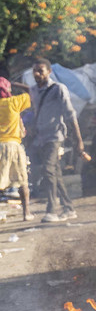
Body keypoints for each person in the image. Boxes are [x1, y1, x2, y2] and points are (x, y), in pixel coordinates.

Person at [28, 58, 85, 223]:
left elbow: (70, 114)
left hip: (55, 136)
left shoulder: (58, 89)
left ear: (49, 71)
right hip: (41, 138)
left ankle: (52, 210)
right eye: (35, 71)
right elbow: (36, 109)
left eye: (41, 71)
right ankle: (69, 208)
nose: (37, 74)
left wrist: (79, 140)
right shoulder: (34, 90)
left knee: (47, 169)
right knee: (55, 173)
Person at [0, 77, 33, 221]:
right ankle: (26, 213)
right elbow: (32, 92)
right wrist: (14, 83)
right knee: (22, 181)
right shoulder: (13, 102)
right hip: (13, 145)